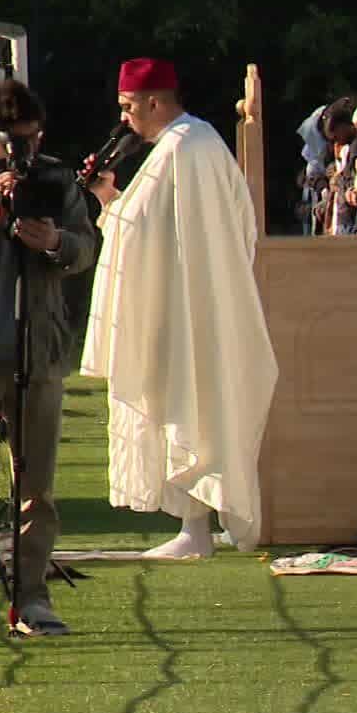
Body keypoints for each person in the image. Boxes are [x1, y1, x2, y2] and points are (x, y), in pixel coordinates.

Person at [83, 58, 277, 560]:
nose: (125, 118)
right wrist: (112, 199)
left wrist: (108, 202)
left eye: (129, 107)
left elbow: (139, 226)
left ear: (154, 102)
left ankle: (196, 529)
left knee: (189, 406)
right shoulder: (194, 143)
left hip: (192, 304)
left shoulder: (182, 147)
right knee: (190, 405)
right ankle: (196, 525)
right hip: (193, 299)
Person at [0, 80, 98, 635]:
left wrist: (54, 240)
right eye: (15, 142)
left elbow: (86, 248)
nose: (25, 153)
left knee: (36, 481)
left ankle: (32, 599)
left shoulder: (56, 178)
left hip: (38, 347)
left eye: (33, 141)